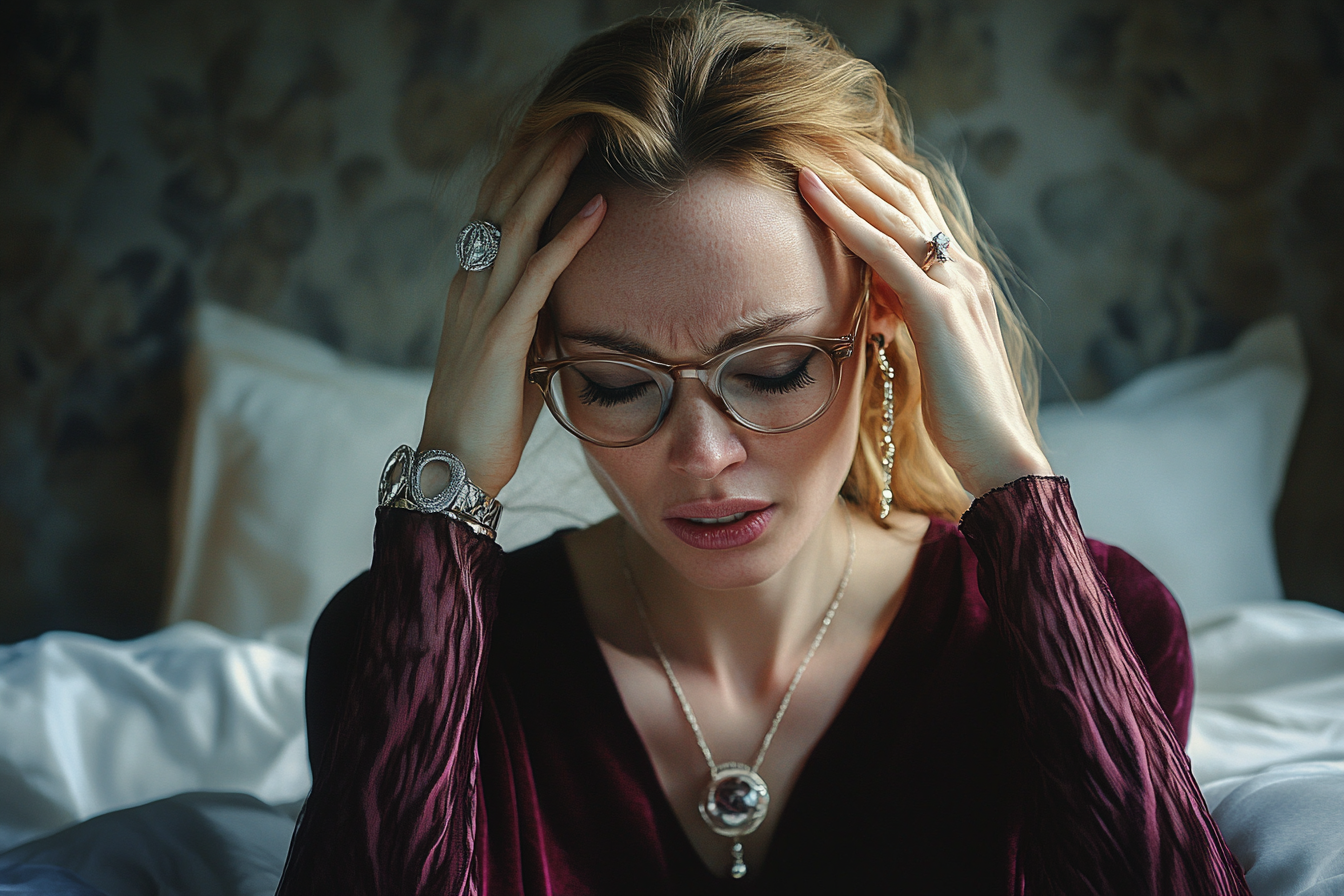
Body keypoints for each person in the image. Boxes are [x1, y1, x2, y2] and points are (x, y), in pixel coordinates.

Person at [278, 5, 1250, 894]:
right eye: (618, 383)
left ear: (883, 321)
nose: (702, 454)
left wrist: (1008, 471)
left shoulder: (1102, 624)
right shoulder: (399, 645)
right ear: (538, 366)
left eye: (774, 370)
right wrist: (447, 482)